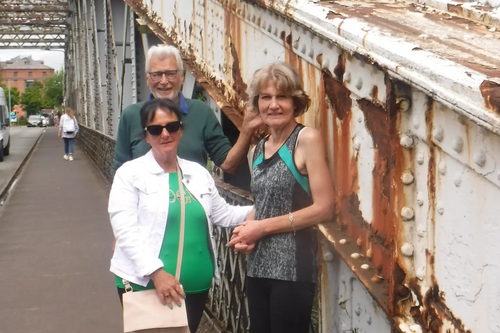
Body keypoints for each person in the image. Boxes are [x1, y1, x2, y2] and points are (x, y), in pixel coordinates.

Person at [109, 98, 253, 333]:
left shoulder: (198, 173)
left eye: (172, 127)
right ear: (146, 136)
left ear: (181, 130)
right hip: (146, 283)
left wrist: (263, 211)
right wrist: (156, 274)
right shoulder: (130, 174)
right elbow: (125, 230)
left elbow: (224, 214)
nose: (165, 134)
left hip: (195, 288)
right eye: (156, 129)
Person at [227, 62, 335, 333]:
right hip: (258, 267)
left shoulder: (305, 139)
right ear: (257, 104)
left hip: (292, 271)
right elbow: (262, 206)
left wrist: (261, 228)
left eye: (282, 97)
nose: (273, 105)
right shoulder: (259, 149)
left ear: (295, 102)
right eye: (266, 97)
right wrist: (246, 230)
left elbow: (324, 208)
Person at [113, 44, 262, 172]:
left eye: (171, 74)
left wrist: (247, 129)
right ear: (147, 79)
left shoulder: (201, 112)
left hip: (191, 203)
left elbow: (228, 164)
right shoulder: (131, 116)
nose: (164, 81)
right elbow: (120, 173)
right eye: (156, 75)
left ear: (182, 76)